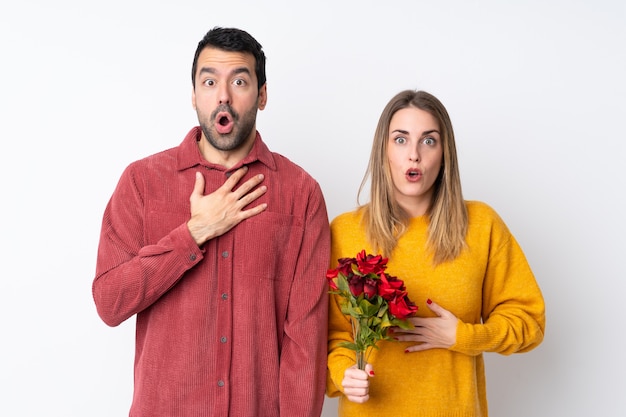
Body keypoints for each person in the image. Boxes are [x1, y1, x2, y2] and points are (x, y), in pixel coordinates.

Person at [92, 27, 330, 417]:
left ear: (263, 95)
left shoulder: (300, 194)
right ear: (193, 95)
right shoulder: (141, 182)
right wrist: (193, 233)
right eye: (209, 81)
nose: (223, 95)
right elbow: (109, 302)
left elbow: (305, 338)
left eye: (239, 80)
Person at [326, 90, 545, 416]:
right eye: (400, 140)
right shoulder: (344, 231)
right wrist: (344, 372)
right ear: (382, 150)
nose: (414, 155)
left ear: (445, 154)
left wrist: (465, 336)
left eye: (428, 141)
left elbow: (529, 322)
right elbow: (329, 334)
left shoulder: (481, 225)